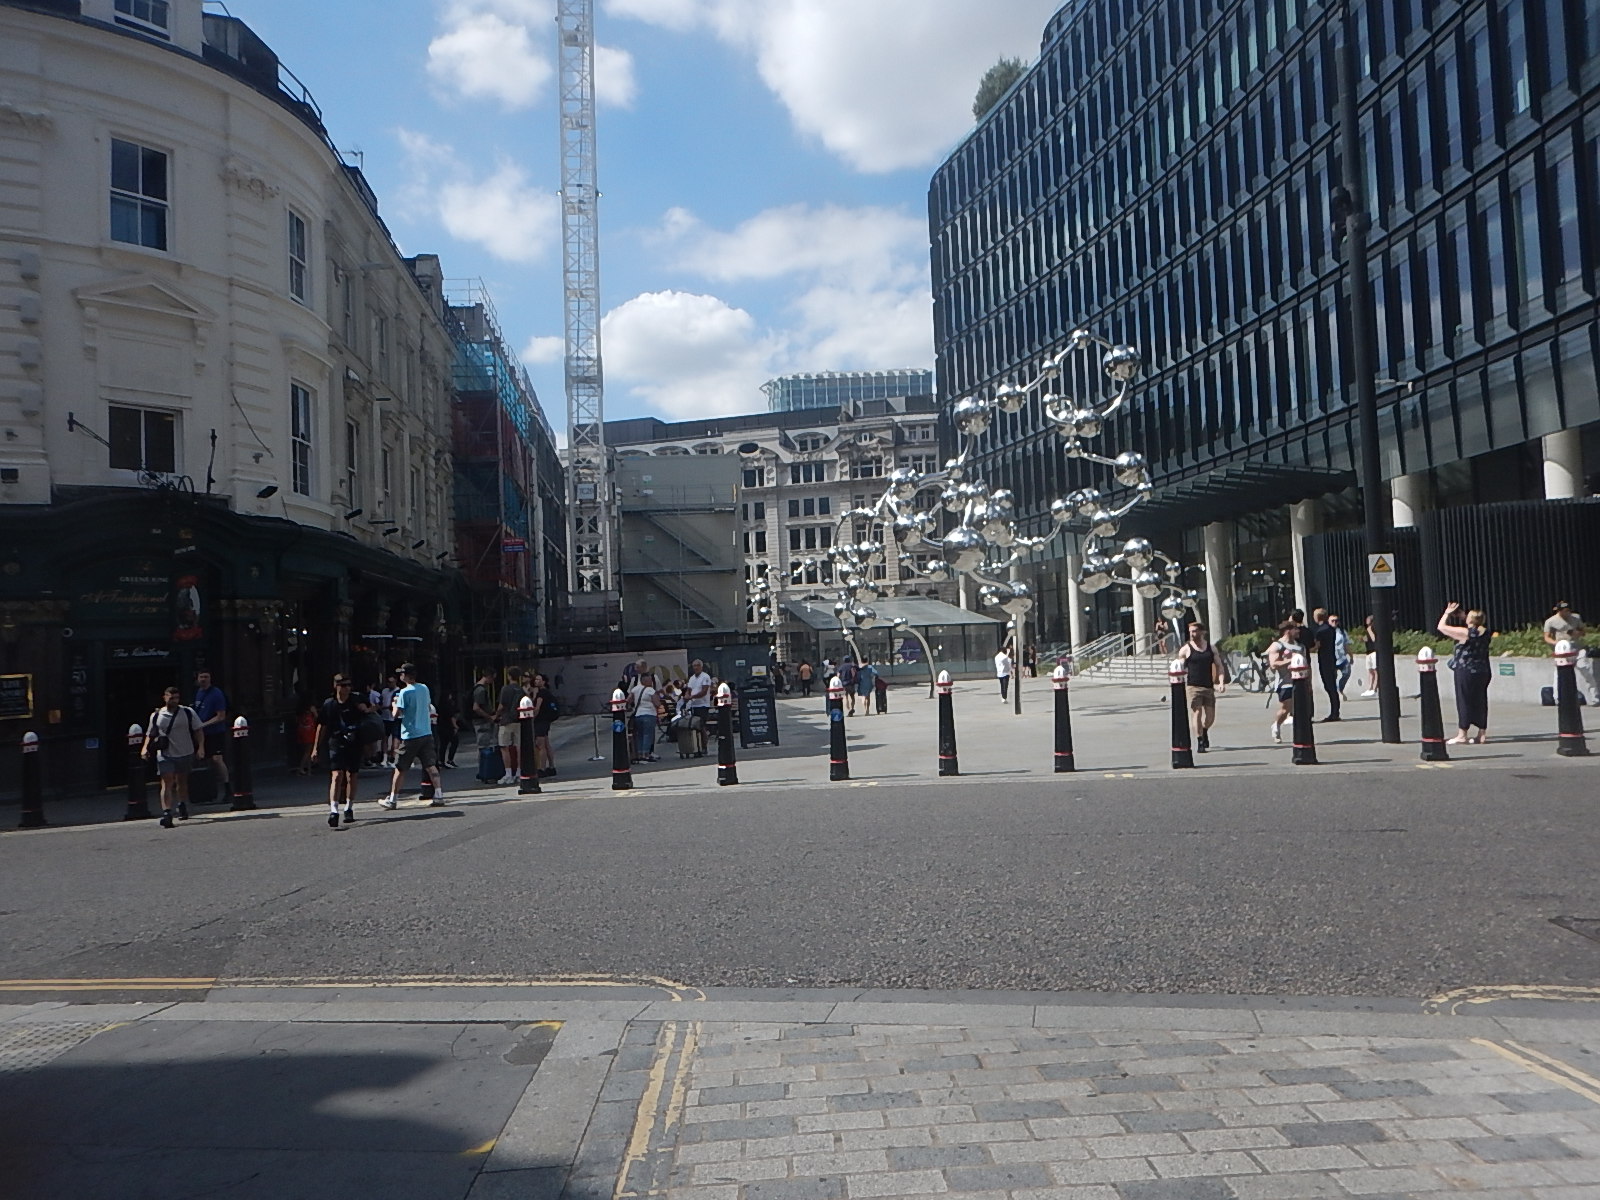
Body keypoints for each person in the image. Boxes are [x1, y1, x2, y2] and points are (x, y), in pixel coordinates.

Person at [380, 663, 444, 808]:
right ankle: (439, 795)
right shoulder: (424, 688)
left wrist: (394, 704)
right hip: (426, 732)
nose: (400, 676)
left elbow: (396, 714)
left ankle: (393, 799)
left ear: (406, 676)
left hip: (410, 734)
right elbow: (427, 706)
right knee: (430, 765)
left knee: (400, 767)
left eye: (401, 674)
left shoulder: (404, 692)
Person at [142, 685, 203, 828]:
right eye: (171, 698)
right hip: (165, 754)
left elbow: (198, 730)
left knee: (181, 781)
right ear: (165, 698)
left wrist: (201, 747)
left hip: (185, 752)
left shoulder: (188, 712)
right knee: (167, 782)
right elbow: (150, 734)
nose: (174, 701)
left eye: (177, 698)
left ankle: (182, 804)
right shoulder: (157, 715)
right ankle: (167, 813)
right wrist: (145, 748)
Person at [313, 674, 369, 827]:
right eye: (344, 685)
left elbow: (373, 711)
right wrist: (315, 748)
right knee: (337, 775)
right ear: (336, 686)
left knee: (352, 775)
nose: (347, 688)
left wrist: (367, 709)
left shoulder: (356, 700)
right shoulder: (329, 704)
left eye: (349, 685)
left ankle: (349, 807)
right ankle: (334, 810)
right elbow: (321, 726)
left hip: (355, 741)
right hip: (336, 741)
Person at [1437, 603, 1492, 744]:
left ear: (1470, 619)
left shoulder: (1465, 633)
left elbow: (1441, 627)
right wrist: (1463, 616)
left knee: (1464, 700)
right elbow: (1475, 625)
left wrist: (1447, 613)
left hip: (1466, 671)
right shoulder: (1485, 632)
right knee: (1480, 701)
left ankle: (1462, 734)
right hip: (1483, 670)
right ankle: (1481, 733)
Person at [1177, 623, 1224, 751]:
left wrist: (1221, 682)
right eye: (1190, 631)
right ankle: (1200, 741)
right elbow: (1180, 666)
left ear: (1202, 632)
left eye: (1195, 631)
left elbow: (1219, 666)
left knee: (1210, 717)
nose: (1192, 634)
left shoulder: (1211, 648)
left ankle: (1204, 730)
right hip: (1193, 686)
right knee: (1197, 712)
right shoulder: (1186, 649)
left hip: (1208, 686)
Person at [1544, 601, 1598, 704]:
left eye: (1567, 611)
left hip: (1577, 648)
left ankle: (1594, 697)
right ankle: (1558, 698)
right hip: (1562, 651)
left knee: (1585, 669)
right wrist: (1556, 643)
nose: (1566, 613)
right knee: (1559, 673)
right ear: (1558, 611)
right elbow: (1546, 637)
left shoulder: (1576, 618)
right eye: (1563, 611)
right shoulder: (1551, 621)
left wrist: (1577, 633)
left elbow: (1583, 631)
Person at [191, 670, 231, 799]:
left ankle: (227, 788)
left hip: (215, 732)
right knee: (204, 759)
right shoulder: (198, 693)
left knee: (217, 759)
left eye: (206, 677)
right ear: (197, 678)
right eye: (201, 677)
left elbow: (221, 716)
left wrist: (203, 724)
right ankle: (208, 790)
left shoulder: (216, 694)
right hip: (201, 733)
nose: (204, 679)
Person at [1265, 619, 1302, 744]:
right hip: (1284, 683)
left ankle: (1300, 736)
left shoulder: (1299, 646)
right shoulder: (1277, 646)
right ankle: (1276, 725)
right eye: (1295, 629)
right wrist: (1291, 660)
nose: (1298, 631)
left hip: (1299, 681)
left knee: (1300, 709)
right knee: (1285, 709)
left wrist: (1309, 682)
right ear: (1288, 631)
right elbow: (1274, 664)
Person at [495, 667, 526, 786]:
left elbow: (501, 706)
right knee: (518, 747)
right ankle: (518, 772)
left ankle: (508, 773)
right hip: (518, 720)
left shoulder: (505, 689)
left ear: (509, 676)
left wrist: (496, 715)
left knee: (504, 747)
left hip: (506, 720)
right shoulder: (521, 690)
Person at [1310, 608, 1341, 722]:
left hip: (1324, 660)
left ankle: (1334, 713)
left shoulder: (1320, 631)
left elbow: (1316, 646)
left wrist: (1306, 649)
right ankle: (1335, 711)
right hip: (1331, 658)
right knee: (1332, 686)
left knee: (1329, 686)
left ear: (1317, 617)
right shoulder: (1331, 629)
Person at [529, 672, 558, 776]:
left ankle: (542, 768)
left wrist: (532, 719)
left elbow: (537, 708)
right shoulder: (547, 692)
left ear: (544, 682)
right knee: (546, 744)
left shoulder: (541, 694)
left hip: (540, 721)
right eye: (536, 679)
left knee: (540, 745)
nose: (536, 681)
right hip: (546, 721)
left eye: (539, 680)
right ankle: (551, 766)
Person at [685, 659, 713, 755]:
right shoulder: (692, 678)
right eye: (694, 666)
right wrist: (686, 696)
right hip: (693, 705)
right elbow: (688, 690)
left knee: (701, 726)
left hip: (703, 705)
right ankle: (696, 747)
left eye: (698, 665)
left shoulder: (705, 677)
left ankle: (704, 747)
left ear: (701, 667)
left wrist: (692, 697)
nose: (696, 667)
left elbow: (704, 691)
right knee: (694, 727)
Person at [630, 672, 660, 762]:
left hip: (638, 715)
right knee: (648, 735)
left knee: (640, 735)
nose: (651, 682)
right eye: (650, 680)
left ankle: (639, 754)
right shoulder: (650, 690)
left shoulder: (635, 689)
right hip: (649, 714)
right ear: (645, 681)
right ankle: (646, 754)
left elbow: (628, 700)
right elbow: (657, 703)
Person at [379, 673, 401, 767]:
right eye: (388, 682)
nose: (390, 684)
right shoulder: (384, 691)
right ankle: (384, 758)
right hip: (385, 717)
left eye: (392, 682)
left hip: (395, 718)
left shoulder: (399, 691)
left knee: (396, 738)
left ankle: (393, 758)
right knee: (384, 737)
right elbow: (380, 701)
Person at [1330, 614, 1353, 698]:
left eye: (1336, 620)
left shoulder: (1342, 632)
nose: (1334, 622)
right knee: (1333, 677)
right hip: (1331, 659)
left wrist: (1351, 656)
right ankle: (1336, 693)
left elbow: (1346, 645)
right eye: (1332, 621)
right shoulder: (1326, 632)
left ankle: (1340, 689)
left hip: (1342, 658)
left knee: (1346, 673)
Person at [294, 701, 318, 774]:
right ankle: (301, 768)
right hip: (309, 730)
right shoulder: (311, 708)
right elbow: (316, 716)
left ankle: (309, 770)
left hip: (301, 729)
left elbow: (296, 720)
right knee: (308, 751)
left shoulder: (300, 709)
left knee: (306, 751)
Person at [1361, 614, 1379, 697]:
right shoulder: (1368, 628)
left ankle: (1374, 689)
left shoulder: (1373, 628)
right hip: (1368, 652)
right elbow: (1369, 639)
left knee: (1375, 670)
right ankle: (1370, 688)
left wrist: (1369, 630)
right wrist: (1363, 639)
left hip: (1374, 651)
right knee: (1370, 671)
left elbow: (1374, 639)